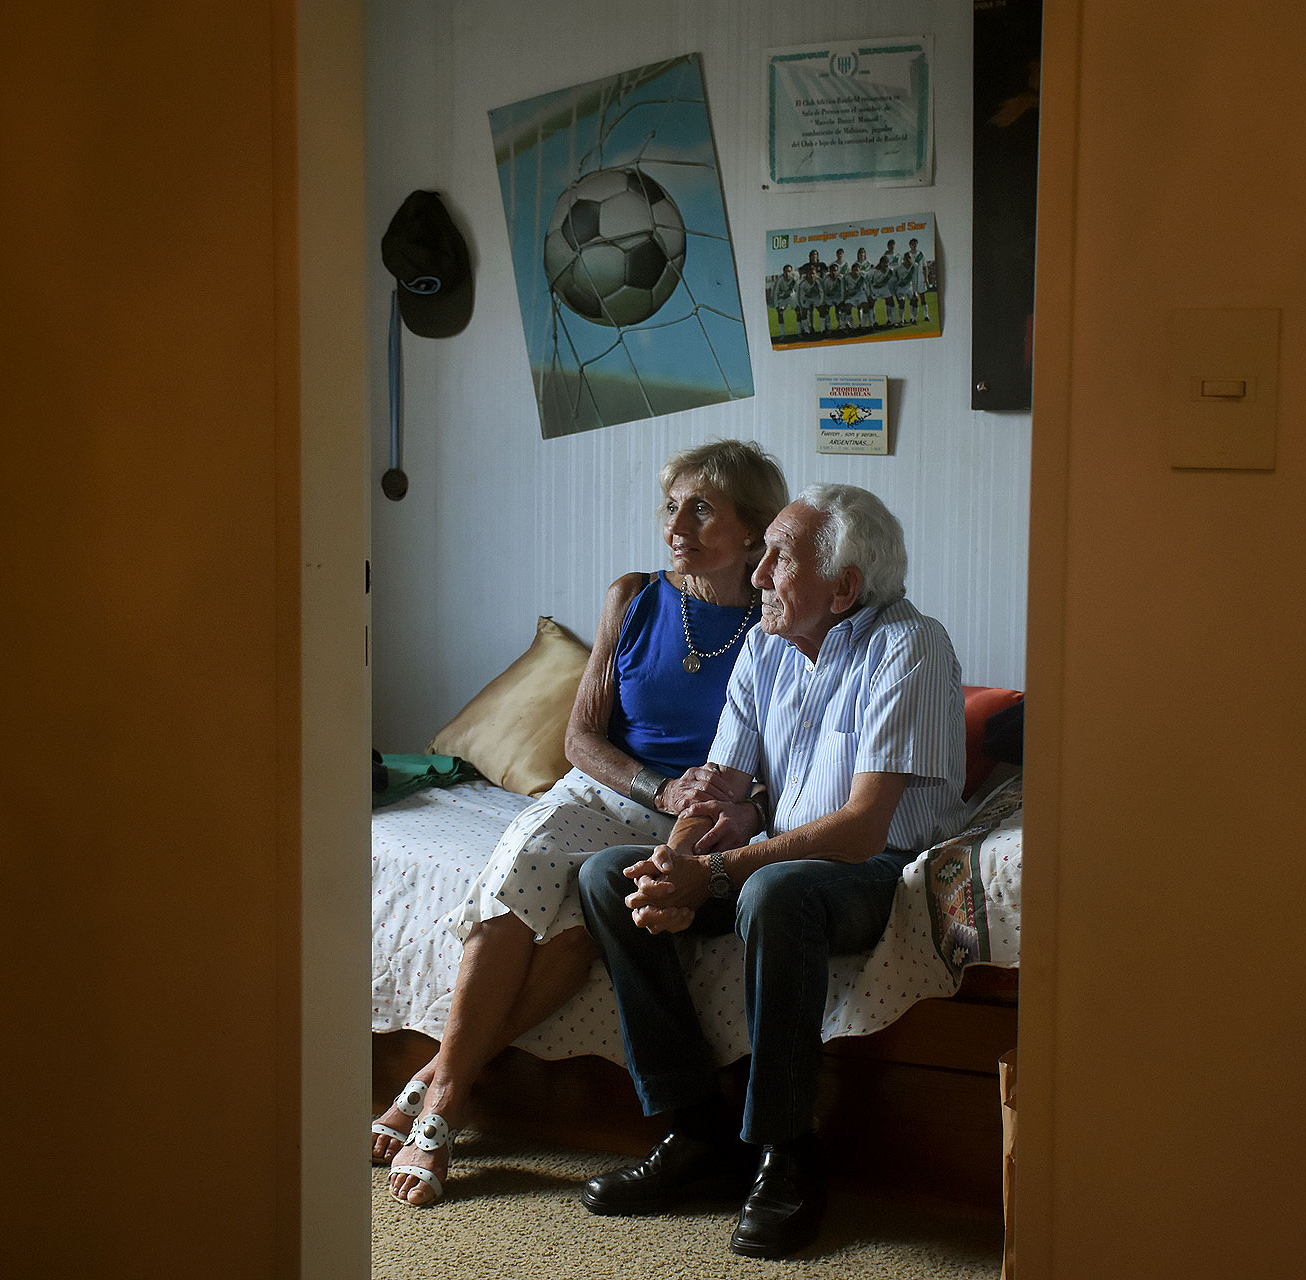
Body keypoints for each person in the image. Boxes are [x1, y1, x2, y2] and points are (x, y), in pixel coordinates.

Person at [372, 439, 790, 1207]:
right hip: (604, 794)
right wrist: (658, 787)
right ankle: (446, 1103)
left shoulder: (776, 628)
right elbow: (578, 740)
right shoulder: (633, 597)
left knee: (573, 930)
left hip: (690, 827)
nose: (676, 522)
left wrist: (698, 811)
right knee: (513, 888)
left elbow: (777, 757)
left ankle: (433, 1088)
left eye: (701, 507)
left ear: (755, 528)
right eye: (672, 504)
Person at [575, 484, 966, 1259]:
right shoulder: (765, 645)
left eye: (779, 558)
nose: (756, 576)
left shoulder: (910, 647)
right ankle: (697, 1136)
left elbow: (860, 831)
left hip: (878, 870)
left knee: (773, 889)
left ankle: (788, 1153)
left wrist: (712, 875)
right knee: (606, 879)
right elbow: (721, 784)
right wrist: (673, 862)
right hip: (775, 863)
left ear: (845, 588)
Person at [769, 264, 798, 338]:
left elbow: (797, 289)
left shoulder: (794, 279)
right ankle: (783, 334)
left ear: (791, 272)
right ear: (783, 272)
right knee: (780, 312)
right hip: (782, 298)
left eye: (789, 271)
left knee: (798, 311)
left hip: (791, 296)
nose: (787, 273)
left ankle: (800, 331)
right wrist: (776, 305)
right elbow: (775, 293)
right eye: (786, 272)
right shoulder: (779, 280)